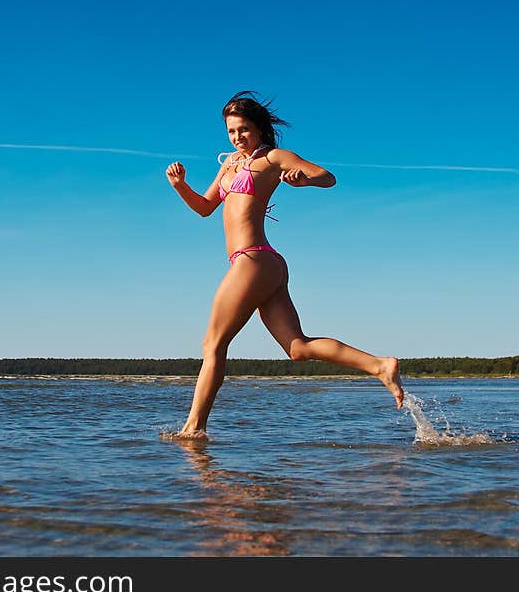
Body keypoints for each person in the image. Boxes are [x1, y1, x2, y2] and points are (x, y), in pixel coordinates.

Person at [165, 91, 403, 439]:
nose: (237, 137)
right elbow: (204, 207)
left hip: (254, 260)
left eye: (243, 129)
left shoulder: (274, 158)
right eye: (231, 131)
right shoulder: (229, 164)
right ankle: (380, 365)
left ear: (259, 128)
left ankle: (193, 429)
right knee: (297, 348)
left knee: (213, 345)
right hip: (264, 263)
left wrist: (303, 179)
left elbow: (326, 176)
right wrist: (179, 186)